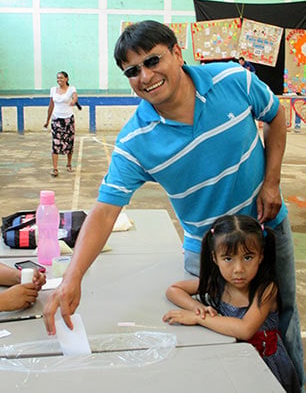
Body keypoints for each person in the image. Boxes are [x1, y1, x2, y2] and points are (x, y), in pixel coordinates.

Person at [43, 20, 304, 388]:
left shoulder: (234, 80)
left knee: (282, 318)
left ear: (177, 53)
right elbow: (104, 212)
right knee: (215, 347)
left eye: (153, 61)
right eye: (132, 71)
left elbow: (276, 116)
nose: (145, 76)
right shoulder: (136, 141)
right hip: (208, 254)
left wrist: (272, 182)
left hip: (266, 228)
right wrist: (72, 279)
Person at [163, 215, 300, 393]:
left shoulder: (266, 290)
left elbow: (245, 329)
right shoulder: (218, 284)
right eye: (228, 258)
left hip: (266, 366)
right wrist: (200, 309)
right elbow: (173, 290)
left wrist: (199, 319)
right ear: (215, 258)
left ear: (260, 256)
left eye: (248, 257)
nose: (238, 269)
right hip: (232, 360)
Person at [44, 71, 79, 177]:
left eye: (62, 78)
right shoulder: (53, 90)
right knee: (55, 144)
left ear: (67, 79)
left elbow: (75, 97)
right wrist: (47, 120)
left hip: (68, 120)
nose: (59, 80)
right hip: (56, 120)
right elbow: (51, 105)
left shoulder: (71, 89)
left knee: (69, 142)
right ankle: (55, 169)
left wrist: (73, 101)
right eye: (58, 78)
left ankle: (68, 164)